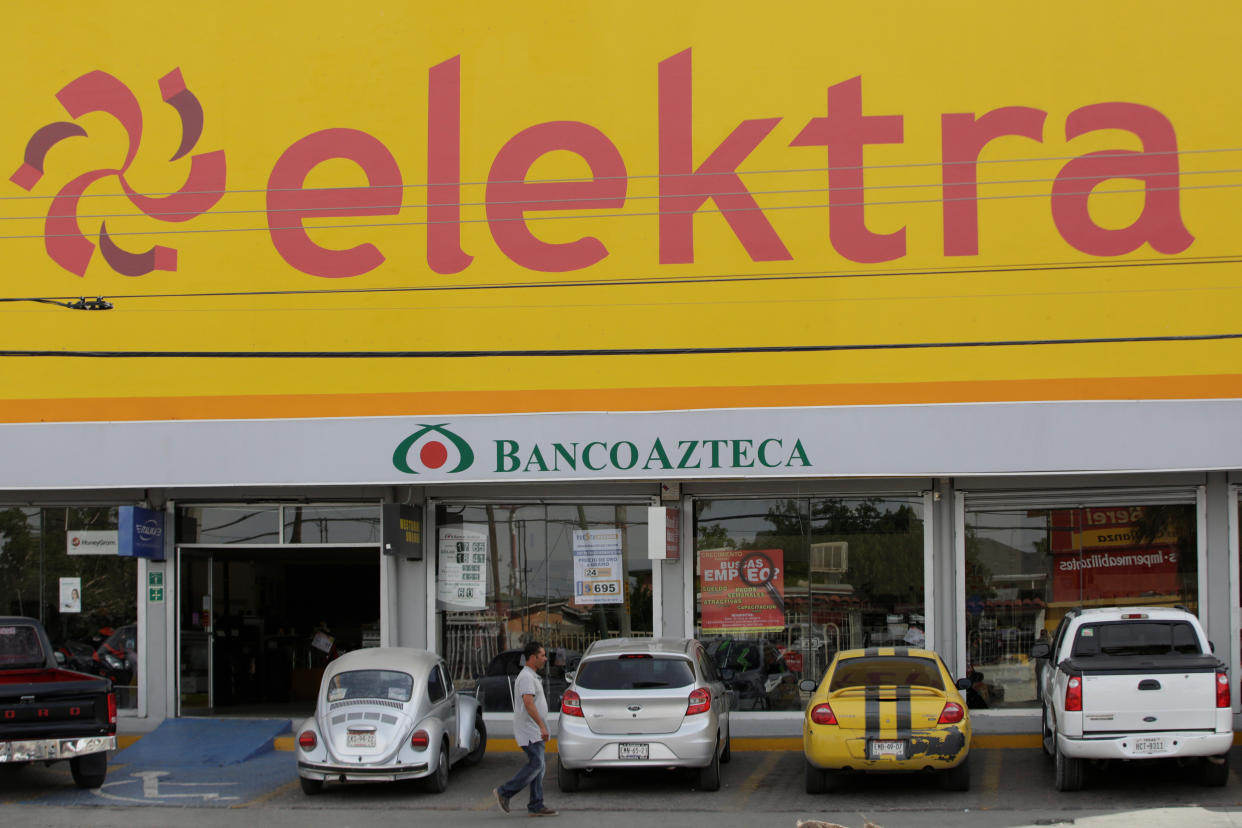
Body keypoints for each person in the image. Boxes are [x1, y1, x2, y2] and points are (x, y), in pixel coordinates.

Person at [494, 641, 557, 817]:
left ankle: (536, 805)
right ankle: (504, 792)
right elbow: (528, 704)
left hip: (534, 730)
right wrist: (542, 726)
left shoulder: (531, 675)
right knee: (536, 764)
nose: (545, 659)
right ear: (532, 658)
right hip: (530, 730)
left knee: (539, 766)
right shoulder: (527, 677)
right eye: (542, 655)